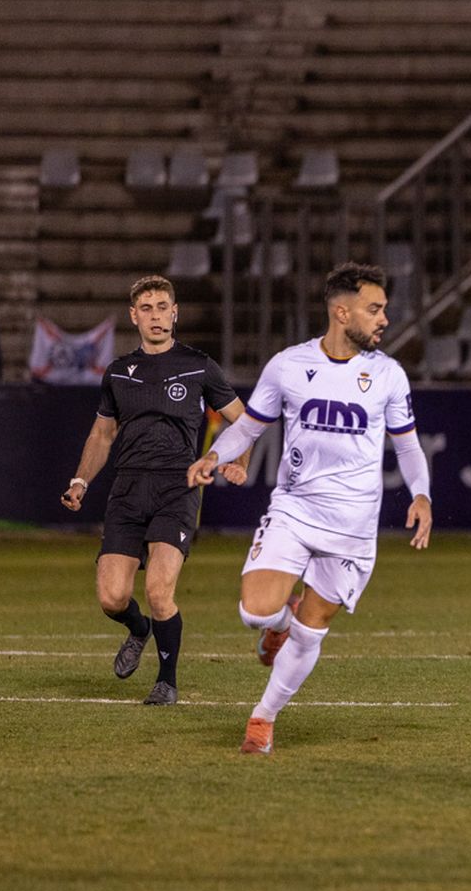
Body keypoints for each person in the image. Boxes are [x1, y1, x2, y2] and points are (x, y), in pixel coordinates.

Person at [186, 262, 433, 755]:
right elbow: (250, 427)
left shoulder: (388, 375)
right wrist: (215, 454)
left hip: (353, 528)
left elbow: (407, 446)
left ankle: (263, 719)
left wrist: (422, 494)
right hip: (295, 510)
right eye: (374, 309)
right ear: (342, 312)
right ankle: (278, 624)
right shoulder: (288, 366)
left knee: (311, 628)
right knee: (256, 612)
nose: (384, 319)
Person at [60, 275, 249, 705]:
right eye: (147, 309)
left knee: (160, 591)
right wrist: (79, 481)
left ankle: (166, 681)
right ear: (135, 316)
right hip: (127, 488)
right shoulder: (118, 372)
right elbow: (102, 435)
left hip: (177, 488)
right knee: (112, 597)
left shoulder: (200, 365)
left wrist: (238, 462)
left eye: (163, 307)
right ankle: (138, 629)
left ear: (175, 312)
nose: (156, 316)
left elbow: (243, 421)